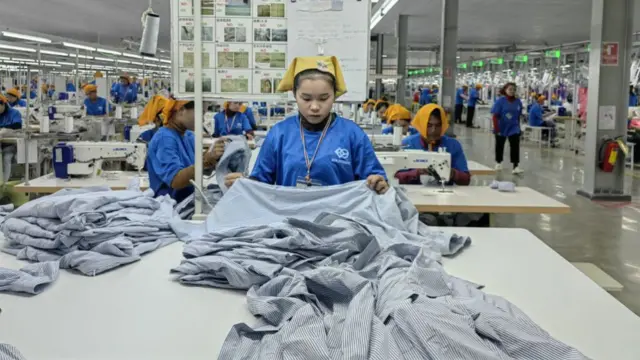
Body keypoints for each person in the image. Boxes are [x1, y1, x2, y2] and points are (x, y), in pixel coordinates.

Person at [223, 56, 388, 193]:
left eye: (324, 98)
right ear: (294, 94)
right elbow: (260, 182)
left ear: (335, 96)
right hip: (288, 222)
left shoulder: (352, 134)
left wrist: (378, 183)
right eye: (306, 98)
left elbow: (374, 178)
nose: (315, 106)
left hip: (339, 224)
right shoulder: (280, 134)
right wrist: (245, 183)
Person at [146, 99, 226, 203]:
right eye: (201, 113)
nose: (202, 119)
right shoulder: (165, 138)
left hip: (188, 200)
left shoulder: (189, 136)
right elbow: (175, 180)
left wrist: (213, 158)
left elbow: (197, 168)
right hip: (170, 205)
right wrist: (205, 161)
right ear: (181, 110)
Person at [397, 104, 470, 186]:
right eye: (429, 125)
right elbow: (395, 177)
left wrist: (452, 173)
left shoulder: (453, 145)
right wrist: (417, 173)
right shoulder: (407, 144)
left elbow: (466, 180)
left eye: (438, 125)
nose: (433, 130)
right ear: (421, 125)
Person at [492, 82, 523, 174]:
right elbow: (495, 116)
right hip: (501, 126)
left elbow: (518, 116)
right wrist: (497, 128)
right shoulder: (500, 101)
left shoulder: (518, 102)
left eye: (513, 89)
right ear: (505, 90)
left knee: (515, 146)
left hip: (514, 127)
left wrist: (519, 127)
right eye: (510, 89)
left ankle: (515, 166)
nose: (512, 91)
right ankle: (498, 162)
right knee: (499, 145)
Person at [0, 95, 23, 182]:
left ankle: (4, 184)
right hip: (1, 143)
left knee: (6, 158)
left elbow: (17, 126)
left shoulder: (14, 113)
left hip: (10, 144)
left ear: (3, 104)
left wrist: (4, 129)